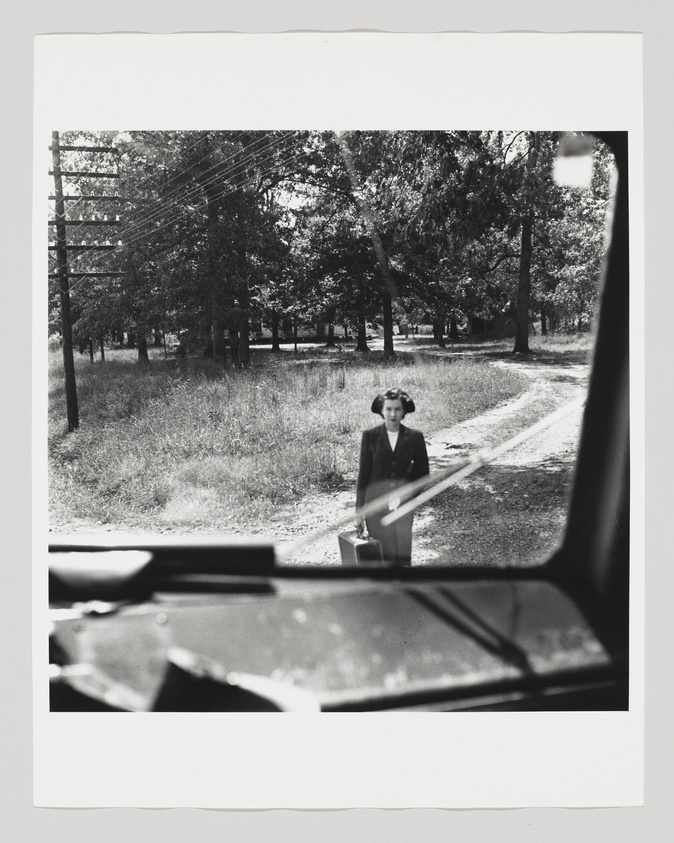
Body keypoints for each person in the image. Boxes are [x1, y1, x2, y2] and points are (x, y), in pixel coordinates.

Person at [355, 388, 430, 566]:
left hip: (403, 507)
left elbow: (423, 474)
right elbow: (363, 476)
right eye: (388, 409)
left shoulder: (415, 437)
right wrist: (359, 512)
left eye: (397, 409)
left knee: (402, 557)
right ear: (381, 411)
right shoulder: (370, 436)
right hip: (375, 506)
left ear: (404, 412)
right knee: (381, 557)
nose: (393, 414)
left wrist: (404, 494)